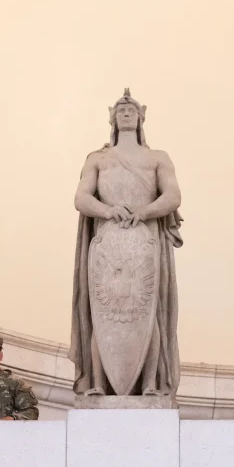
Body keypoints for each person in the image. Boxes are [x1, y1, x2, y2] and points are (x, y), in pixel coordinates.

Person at [69, 88, 184, 397]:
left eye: (131, 108)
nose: (126, 111)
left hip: (144, 245)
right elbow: (81, 197)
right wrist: (108, 210)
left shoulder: (157, 158)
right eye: (120, 109)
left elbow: (172, 196)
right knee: (101, 315)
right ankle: (97, 383)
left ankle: (149, 384)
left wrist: (144, 212)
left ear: (141, 116)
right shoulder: (98, 159)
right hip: (107, 245)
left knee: (149, 311)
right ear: (112, 118)